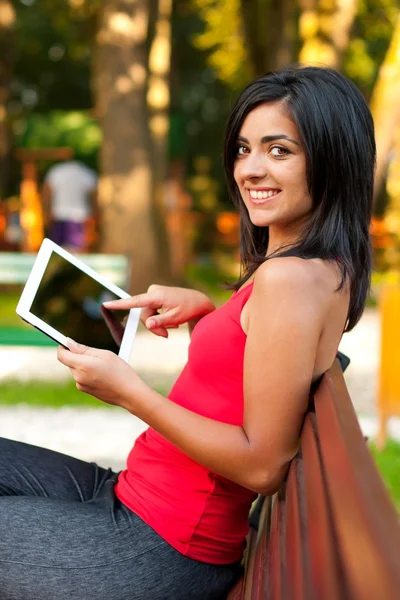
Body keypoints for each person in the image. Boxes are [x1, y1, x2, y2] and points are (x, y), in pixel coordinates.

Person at [0, 66, 375, 600]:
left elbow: (263, 463)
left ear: (333, 158)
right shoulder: (316, 267)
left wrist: (129, 392)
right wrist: (209, 318)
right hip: (139, 499)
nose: (251, 169)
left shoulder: (291, 278)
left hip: (158, 545)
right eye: (244, 150)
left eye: (279, 150)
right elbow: (257, 368)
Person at [41, 158, 98, 252]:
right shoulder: (86, 173)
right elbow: (94, 196)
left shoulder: (56, 171)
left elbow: (46, 193)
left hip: (59, 214)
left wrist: (46, 212)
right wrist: (95, 214)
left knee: (56, 251)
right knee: (75, 252)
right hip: (79, 216)